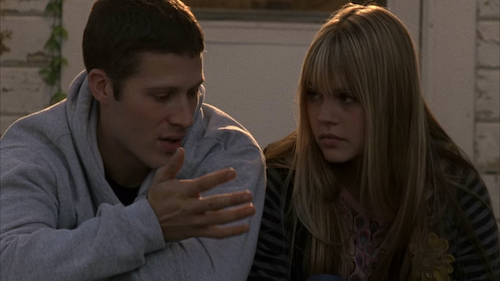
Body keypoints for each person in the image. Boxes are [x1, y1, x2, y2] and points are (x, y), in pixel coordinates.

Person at [0, 0, 266, 280]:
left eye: (193, 92)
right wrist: (147, 224)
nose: (185, 118)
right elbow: (8, 265)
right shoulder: (33, 149)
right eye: (162, 97)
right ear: (102, 87)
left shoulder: (227, 155)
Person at [248, 3, 500, 281]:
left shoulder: (454, 190)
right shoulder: (285, 180)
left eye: (346, 98)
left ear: (391, 101)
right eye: (314, 94)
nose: (324, 117)